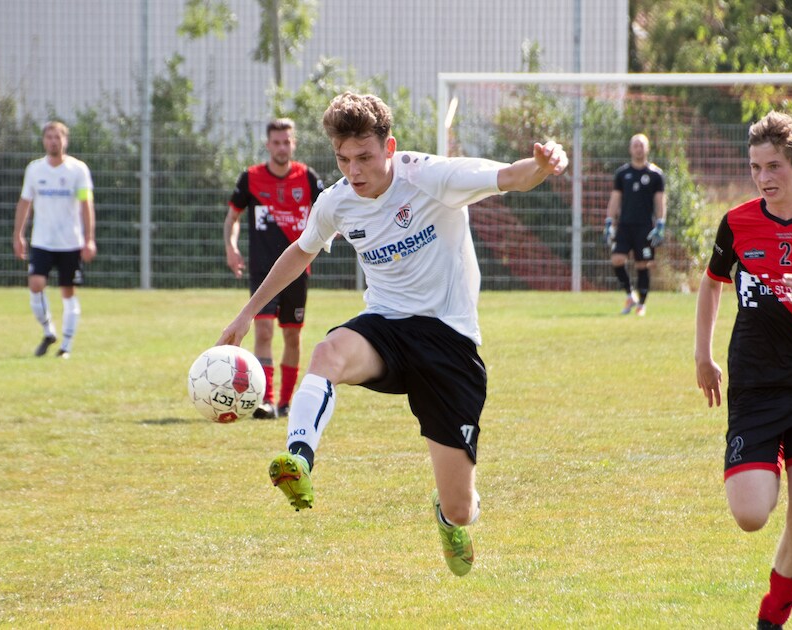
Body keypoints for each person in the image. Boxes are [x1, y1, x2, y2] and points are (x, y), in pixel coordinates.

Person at [217, 92, 568, 577]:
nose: (354, 171)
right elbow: (300, 252)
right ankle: (298, 458)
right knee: (328, 352)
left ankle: (447, 516)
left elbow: (510, 176)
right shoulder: (337, 201)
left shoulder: (430, 176)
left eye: (364, 157)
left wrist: (543, 164)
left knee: (462, 507)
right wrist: (245, 313)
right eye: (343, 159)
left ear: (390, 147)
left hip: (449, 341)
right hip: (386, 327)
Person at [694, 111, 792, 630]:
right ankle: (771, 456)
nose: (763, 178)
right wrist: (703, 354)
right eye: (755, 167)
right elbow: (711, 283)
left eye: (773, 167)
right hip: (755, 385)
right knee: (750, 515)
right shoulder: (737, 222)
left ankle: (771, 619)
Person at [224, 118, 324, 419]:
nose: (282, 147)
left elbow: (329, 213)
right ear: (268, 145)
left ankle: (285, 402)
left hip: (297, 271)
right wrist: (231, 247)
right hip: (263, 270)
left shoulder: (307, 178)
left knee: (292, 336)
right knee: (263, 330)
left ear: (293, 143)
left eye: (287, 141)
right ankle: (265, 400)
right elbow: (232, 218)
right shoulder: (251, 178)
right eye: (276, 142)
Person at [13, 121, 97, 359]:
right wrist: (18, 234)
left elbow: (86, 204)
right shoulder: (35, 170)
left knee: (67, 291)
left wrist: (89, 239)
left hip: (70, 242)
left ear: (65, 140)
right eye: (49, 137)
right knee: (36, 284)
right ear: (43, 141)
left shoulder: (77, 170)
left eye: (57, 137)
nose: (53, 141)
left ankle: (66, 347)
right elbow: (25, 203)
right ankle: (49, 331)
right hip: (42, 241)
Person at [604, 133, 666, 316]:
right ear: (630, 149)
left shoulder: (655, 175)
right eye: (635, 145)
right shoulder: (622, 174)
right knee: (617, 259)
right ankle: (630, 295)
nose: (638, 148)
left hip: (645, 226)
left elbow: (661, 201)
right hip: (624, 225)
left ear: (647, 149)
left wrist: (661, 223)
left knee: (642, 264)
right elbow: (615, 199)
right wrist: (609, 221)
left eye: (641, 145)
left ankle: (641, 305)